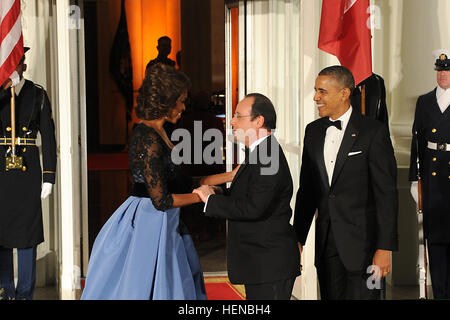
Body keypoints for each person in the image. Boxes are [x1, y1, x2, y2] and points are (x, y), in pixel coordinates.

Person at [81, 63, 238, 300]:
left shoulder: (161, 132)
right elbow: (161, 200)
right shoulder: (147, 137)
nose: (184, 107)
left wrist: (230, 175)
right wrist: (203, 196)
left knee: (182, 283)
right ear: (166, 101)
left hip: (167, 221)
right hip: (150, 223)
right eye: (181, 101)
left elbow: (182, 182)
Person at [293, 66, 398, 300]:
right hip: (327, 246)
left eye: (322, 92)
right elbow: (307, 192)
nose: (316, 98)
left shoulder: (373, 132)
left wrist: (384, 249)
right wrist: (297, 239)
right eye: (315, 91)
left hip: (366, 248)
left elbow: (386, 195)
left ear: (343, 93)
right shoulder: (313, 132)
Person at [193, 93, 300, 300]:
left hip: (269, 264)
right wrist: (216, 193)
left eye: (238, 116)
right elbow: (247, 196)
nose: (232, 121)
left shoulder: (268, 156)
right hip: (261, 264)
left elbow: (253, 207)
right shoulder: (260, 152)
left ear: (259, 121)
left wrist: (211, 200)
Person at [0, 47, 56, 300]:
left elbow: (49, 135)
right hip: (1, 169)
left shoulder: (38, 93)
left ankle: (24, 293)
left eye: (17, 63)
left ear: (23, 64)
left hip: (28, 169)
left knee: (27, 234)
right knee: (1, 233)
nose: (14, 68)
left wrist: (49, 177)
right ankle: (5, 290)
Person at [409, 49, 450, 299]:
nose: (443, 75)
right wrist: (415, 178)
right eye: (440, 70)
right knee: (435, 241)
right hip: (433, 179)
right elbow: (416, 142)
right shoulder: (424, 101)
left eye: (446, 70)